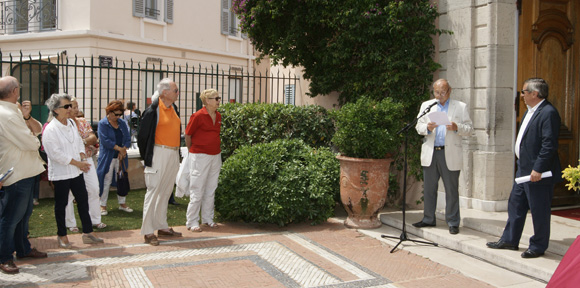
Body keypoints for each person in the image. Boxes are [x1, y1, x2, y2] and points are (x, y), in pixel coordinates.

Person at [487, 78, 562, 258]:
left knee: (539, 209)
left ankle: (538, 245)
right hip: (523, 169)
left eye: (523, 92)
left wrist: (538, 169)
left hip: (537, 172)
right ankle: (510, 240)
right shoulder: (530, 111)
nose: (521, 95)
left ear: (534, 94)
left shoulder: (548, 112)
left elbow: (548, 145)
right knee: (516, 205)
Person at [42, 93, 104, 249]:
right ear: (56, 110)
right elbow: (55, 154)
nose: (70, 109)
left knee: (82, 200)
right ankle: (62, 235)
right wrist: (77, 162)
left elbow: (77, 143)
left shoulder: (70, 123)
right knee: (61, 204)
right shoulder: (50, 129)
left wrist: (82, 158)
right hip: (61, 172)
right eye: (66, 106)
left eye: (70, 105)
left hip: (76, 171)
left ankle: (88, 232)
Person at [0, 76, 47, 274]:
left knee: (24, 215)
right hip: (16, 173)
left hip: (25, 171)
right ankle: (4, 257)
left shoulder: (14, 111)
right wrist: (33, 139)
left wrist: (27, 116)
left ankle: (23, 248)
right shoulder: (7, 114)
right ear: (14, 92)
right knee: (11, 218)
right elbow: (32, 142)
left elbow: (37, 130)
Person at [413, 79, 473, 235]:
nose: (439, 95)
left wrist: (456, 127)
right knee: (429, 189)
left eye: (443, 92)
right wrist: (427, 127)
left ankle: (453, 221)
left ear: (450, 91)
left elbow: (470, 128)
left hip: (449, 152)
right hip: (431, 152)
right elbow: (418, 126)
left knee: (451, 189)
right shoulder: (427, 106)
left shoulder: (460, 107)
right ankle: (428, 218)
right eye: (436, 92)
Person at [138, 78, 182, 246]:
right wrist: (147, 158)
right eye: (175, 90)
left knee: (165, 191)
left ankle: (161, 226)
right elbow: (142, 137)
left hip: (172, 153)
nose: (178, 93)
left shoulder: (174, 109)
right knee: (154, 190)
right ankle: (148, 231)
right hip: (158, 152)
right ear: (165, 92)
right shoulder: (152, 110)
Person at [65, 97, 106, 232]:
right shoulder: (62, 124)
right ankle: (71, 223)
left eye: (77, 107)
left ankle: (95, 219)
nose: (76, 110)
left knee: (94, 188)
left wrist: (81, 142)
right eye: (73, 107)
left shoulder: (82, 122)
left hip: (87, 159)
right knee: (70, 193)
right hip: (71, 162)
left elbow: (93, 138)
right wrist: (84, 141)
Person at [185, 89, 222, 232]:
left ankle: (208, 219)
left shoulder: (218, 115)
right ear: (207, 101)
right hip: (200, 156)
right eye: (216, 98)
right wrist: (192, 152)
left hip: (215, 155)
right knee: (197, 189)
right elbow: (188, 135)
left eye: (219, 98)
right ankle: (192, 221)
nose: (219, 100)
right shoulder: (197, 116)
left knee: (211, 188)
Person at [97, 100, 133, 216]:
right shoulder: (103, 124)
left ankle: (122, 203)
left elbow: (128, 137)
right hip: (108, 156)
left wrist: (124, 149)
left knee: (121, 179)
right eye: (115, 114)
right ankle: (102, 205)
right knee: (106, 180)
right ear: (109, 112)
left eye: (119, 115)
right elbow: (104, 140)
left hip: (120, 156)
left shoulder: (122, 123)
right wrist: (119, 149)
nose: (117, 117)